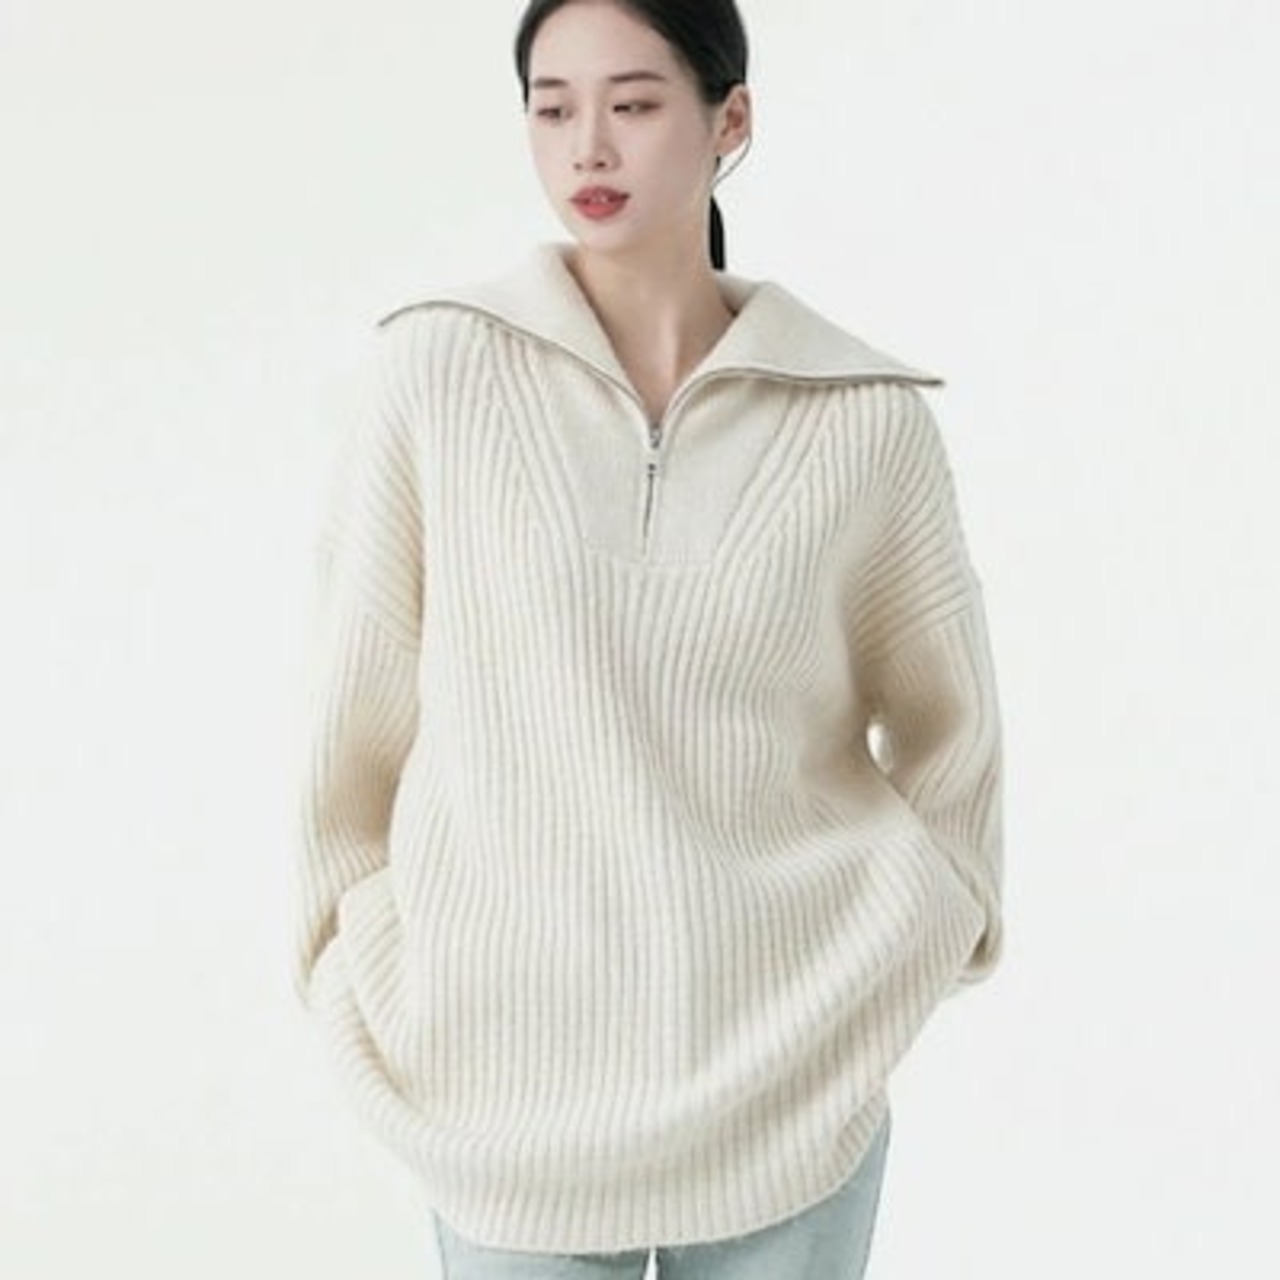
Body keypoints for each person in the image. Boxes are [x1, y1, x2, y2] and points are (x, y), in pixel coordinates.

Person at [290, 0, 1005, 1275]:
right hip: (502, 1086)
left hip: (791, 1081)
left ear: (729, 121)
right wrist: (364, 964)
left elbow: (950, 729)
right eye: (551, 108)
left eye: (632, 104)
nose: (588, 148)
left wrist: (904, 944)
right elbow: (356, 712)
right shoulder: (435, 373)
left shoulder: (862, 419)